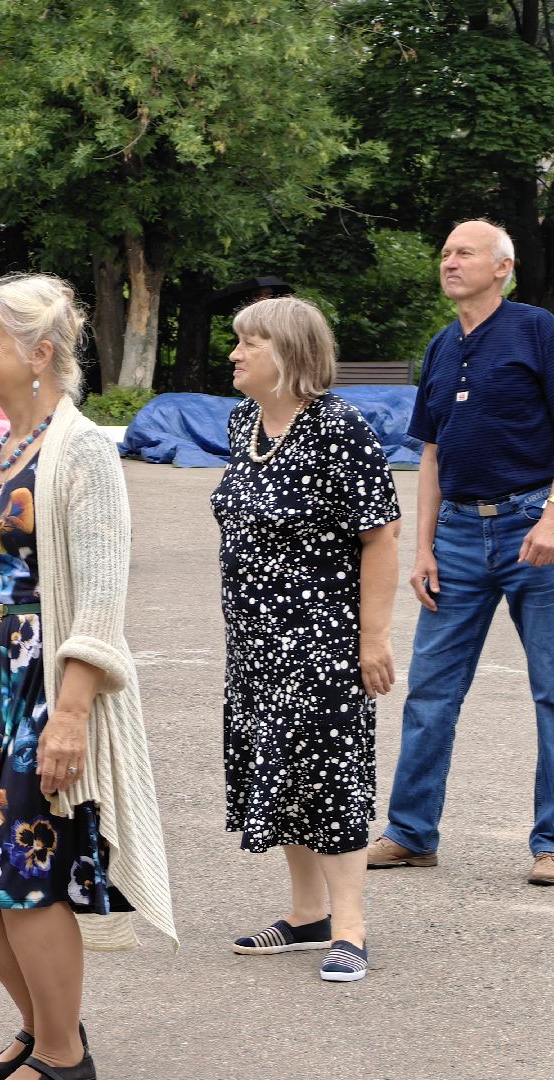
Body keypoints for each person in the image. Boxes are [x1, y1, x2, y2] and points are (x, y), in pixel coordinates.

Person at [0, 273, 176, 1080]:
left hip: (45, 687)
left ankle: (64, 1057)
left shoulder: (85, 449)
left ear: (41, 353)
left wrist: (70, 717)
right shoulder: (3, 450)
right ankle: (42, 1028)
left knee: (29, 875)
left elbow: (99, 603)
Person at [211, 297, 401, 984]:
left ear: (288, 354)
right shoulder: (242, 423)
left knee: (331, 774)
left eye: (248, 343)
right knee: (282, 770)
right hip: (255, 642)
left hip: (320, 639)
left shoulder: (339, 427)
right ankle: (306, 915)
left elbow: (380, 535)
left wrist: (372, 639)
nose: (235, 353)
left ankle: (349, 926)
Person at [370, 219, 554, 888]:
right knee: (432, 692)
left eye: (464, 252)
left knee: (552, 689)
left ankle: (552, 842)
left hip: (532, 526)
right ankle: (412, 834)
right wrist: (423, 548)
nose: (450, 261)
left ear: (502, 268)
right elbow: (432, 452)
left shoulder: (538, 331)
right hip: (456, 537)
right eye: (445, 252)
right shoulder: (442, 347)